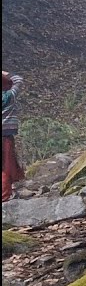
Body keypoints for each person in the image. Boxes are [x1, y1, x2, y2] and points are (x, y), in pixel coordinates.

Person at [2, 71, 23, 202]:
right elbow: (18, 79)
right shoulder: (10, 96)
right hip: (6, 137)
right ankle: (5, 195)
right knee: (6, 165)